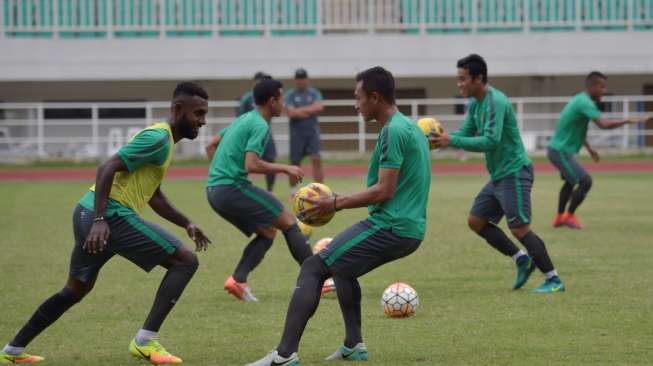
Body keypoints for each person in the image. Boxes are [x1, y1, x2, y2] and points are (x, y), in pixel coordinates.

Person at [0, 82, 212, 365]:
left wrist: (186, 222)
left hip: (88, 213)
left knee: (74, 291)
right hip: (107, 216)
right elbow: (107, 167)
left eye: (204, 114)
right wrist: (101, 220)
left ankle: (11, 351)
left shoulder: (164, 142)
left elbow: (153, 194)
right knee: (185, 261)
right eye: (198, 113)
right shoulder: (158, 139)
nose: (203, 120)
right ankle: (145, 342)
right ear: (177, 110)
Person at [247, 66, 431, 366]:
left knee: (312, 267)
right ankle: (353, 344)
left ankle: (284, 354)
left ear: (375, 97)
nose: (355, 105)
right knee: (343, 269)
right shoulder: (410, 128)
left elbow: (384, 190)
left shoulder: (393, 131)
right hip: (408, 228)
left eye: (358, 98)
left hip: (391, 226)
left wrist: (334, 203)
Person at [433, 54, 565, 294]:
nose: (459, 84)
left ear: (478, 78)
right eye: (458, 79)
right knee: (476, 221)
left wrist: (451, 140)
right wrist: (444, 137)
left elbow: (491, 141)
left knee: (520, 229)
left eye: (463, 79)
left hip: (514, 172)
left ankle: (553, 279)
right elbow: (468, 131)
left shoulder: (497, 102)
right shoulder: (475, 103)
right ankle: (521, 260)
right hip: (499, 176)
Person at [205, 79, 313, 302]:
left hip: (214, 191)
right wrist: (285, 168)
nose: (284, 102)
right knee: (288, 221)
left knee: (267, 232)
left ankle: (237, 281)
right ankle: (317, 279)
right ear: (272, 101)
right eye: (282, 98)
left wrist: (218, 171)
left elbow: (211, 144)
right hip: (230, 188)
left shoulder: (243, 119)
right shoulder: (260, 125)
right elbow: (251, 165)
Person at [548, 71, 648, 229]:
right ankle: (568, 216)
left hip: (558, 149)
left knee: (570, 181)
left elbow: (577, 128)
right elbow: (604, 124)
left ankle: (560, 217)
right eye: (602, 87)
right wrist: (628, 120)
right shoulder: (585, 102)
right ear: (593, 86)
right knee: (585, 181)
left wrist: (590, 149)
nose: (604, 90)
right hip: (560, 151)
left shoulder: (580, 99)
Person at [285, 68, 325, 196]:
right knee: (295, 162)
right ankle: (293, 191)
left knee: (316, 159)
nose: (300, 81)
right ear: (295, 80)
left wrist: (300, 111)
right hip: (296, 133)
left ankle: (320, 190)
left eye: (303, 78)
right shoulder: (291, 94)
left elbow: (319, 107)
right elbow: (291, 113)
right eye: (298, 79)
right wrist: (309, 110)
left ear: (306, 80)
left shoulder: (314, 93)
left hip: (312, 132)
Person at [239, 72, 278, 192]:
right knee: (246, 162)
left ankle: (270, 189)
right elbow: (240, 117)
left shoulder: (268, 96)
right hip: (250, 135)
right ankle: (241, 185)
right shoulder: (247, 98)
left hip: (266, 133)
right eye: (259, 81)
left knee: (270, 159)